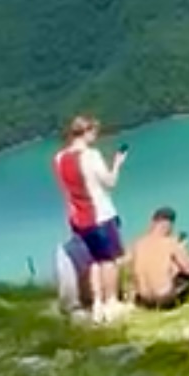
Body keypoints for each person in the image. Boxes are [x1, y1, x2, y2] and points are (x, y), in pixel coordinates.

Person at [52, 114, 128, 324]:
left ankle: (97, 304)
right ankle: (112, 302)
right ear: (86, 132)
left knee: (93, 260)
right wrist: (117, 164)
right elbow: (109, 182)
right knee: (109, 260)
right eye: (94, 132)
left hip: (78, 219)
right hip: (100, 216)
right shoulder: (91, 156)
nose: (96, 137)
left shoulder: (59, 159)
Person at [130, 208, 189, 310]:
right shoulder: (170, 243)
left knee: (172, 268)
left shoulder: (138, 244)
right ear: (169, 225)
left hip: (145, 301)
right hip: (165, 300)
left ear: (153, 222)